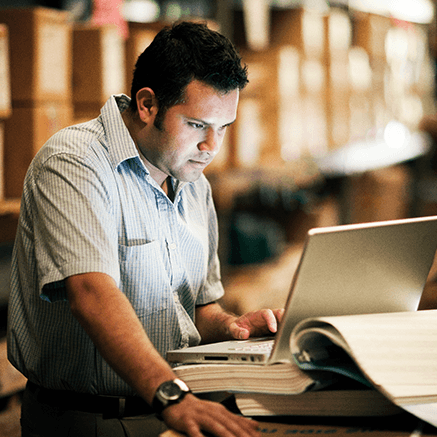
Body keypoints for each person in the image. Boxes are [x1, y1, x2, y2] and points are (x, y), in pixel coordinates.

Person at [7, 21, 283, 437]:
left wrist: (233, 329)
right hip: (91, 419)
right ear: (148, 104)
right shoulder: (74, 163)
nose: (212, 146)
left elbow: (197, 309)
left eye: (223, 127)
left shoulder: (194, 183)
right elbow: (91, 294)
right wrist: (171, 395)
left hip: (173, 407)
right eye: (197, 125)